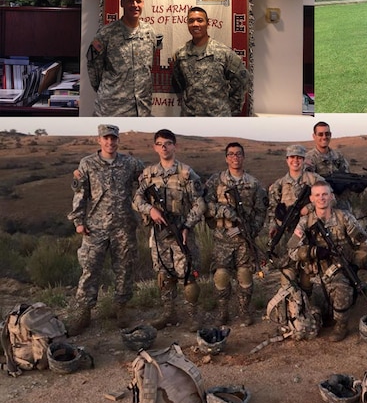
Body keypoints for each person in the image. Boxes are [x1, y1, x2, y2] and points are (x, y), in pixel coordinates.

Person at [66, 124, 144, 335]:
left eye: (114, 138)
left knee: (125, 268)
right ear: (99, 140)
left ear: (118, 140)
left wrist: (143, 210)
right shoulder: (88, 164)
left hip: (124, 226)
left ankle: (121, 309)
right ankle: (84, 312)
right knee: (90, 268)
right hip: (96, 227)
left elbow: (146, 183)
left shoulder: (130, 163)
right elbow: (80, 194)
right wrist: (78, 221)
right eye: (106, 138)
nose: (110, 142)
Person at [133, 129, 207, 331]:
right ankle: (169, 313)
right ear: (154, 147)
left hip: (181, 232)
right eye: (159, 144)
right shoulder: (148, 174)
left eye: (167, 143)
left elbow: (199, 204)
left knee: (188, 275)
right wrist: (151, 210)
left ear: (175, 146)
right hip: (159, 234)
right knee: (164, 275)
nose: (164, 147)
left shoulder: (186, 173)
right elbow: (137, 200)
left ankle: (193, 316)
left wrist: (187, 226)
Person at [287, 181, 367, 342]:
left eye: (325, 194)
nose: (321, 198)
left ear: (332, 196)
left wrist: (355, 265)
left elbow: (365, 243)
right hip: (314, 271)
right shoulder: (305, 222)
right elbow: (291, 250)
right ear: (311, 199)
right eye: (317, 195)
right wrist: (313, 251)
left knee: (342, 292)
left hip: (340, 269)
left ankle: (341, 325)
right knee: (318, 318)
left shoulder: (344, 217)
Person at [204, 142, 268, 325]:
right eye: (231, 154)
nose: (235, 157)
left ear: (243, 157)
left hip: (244, 240)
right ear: (226, 158)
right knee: (221, 275)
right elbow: (205, 205)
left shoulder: (253, 183)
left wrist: (250, 230)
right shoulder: (216, 180)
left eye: (238, 154)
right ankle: (223, 312)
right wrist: (222, 211)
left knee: (245, 274)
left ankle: (243, 311)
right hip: (222, 239)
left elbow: (260, 211)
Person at [87, 0, 157, 116]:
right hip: (112, 109)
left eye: (138, 1)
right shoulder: (106, 34)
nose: (135, 5)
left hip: (141, 109)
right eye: (130, 1)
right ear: (122, 3)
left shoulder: (149, 32)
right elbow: (93, 68)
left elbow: (148, 68)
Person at [172, 6, 249, 116]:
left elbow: (242, 80)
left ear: (208, 24)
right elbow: (179, 82)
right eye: (191, 21)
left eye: (200, 20)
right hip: (190, 117)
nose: (195, 24)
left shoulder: (223, 52)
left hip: (218, 118)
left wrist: (230, 109)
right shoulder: (181, 54)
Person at [266, 144, 325, 286]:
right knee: (289, 271)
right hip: (289, 233)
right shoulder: (278, 185)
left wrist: (309, 207)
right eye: (292, 157)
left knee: (308, 272)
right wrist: (273, 227)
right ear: (287, 160)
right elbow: (272, 210)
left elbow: (331, 199)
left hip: (311, 232)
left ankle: (308, 302)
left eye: (299, 157)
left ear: (304, 160)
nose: (296, 161)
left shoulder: (314, 179)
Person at [304, 122, 350, 211]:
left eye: (327, 134)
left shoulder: (338, 156)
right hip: (319, 208)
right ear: (314, 136)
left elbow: (347, 177)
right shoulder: (309, 159)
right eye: (320, 134)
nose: (324, 137)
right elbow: (308, 185)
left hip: (341, 208)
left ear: (331, 135)